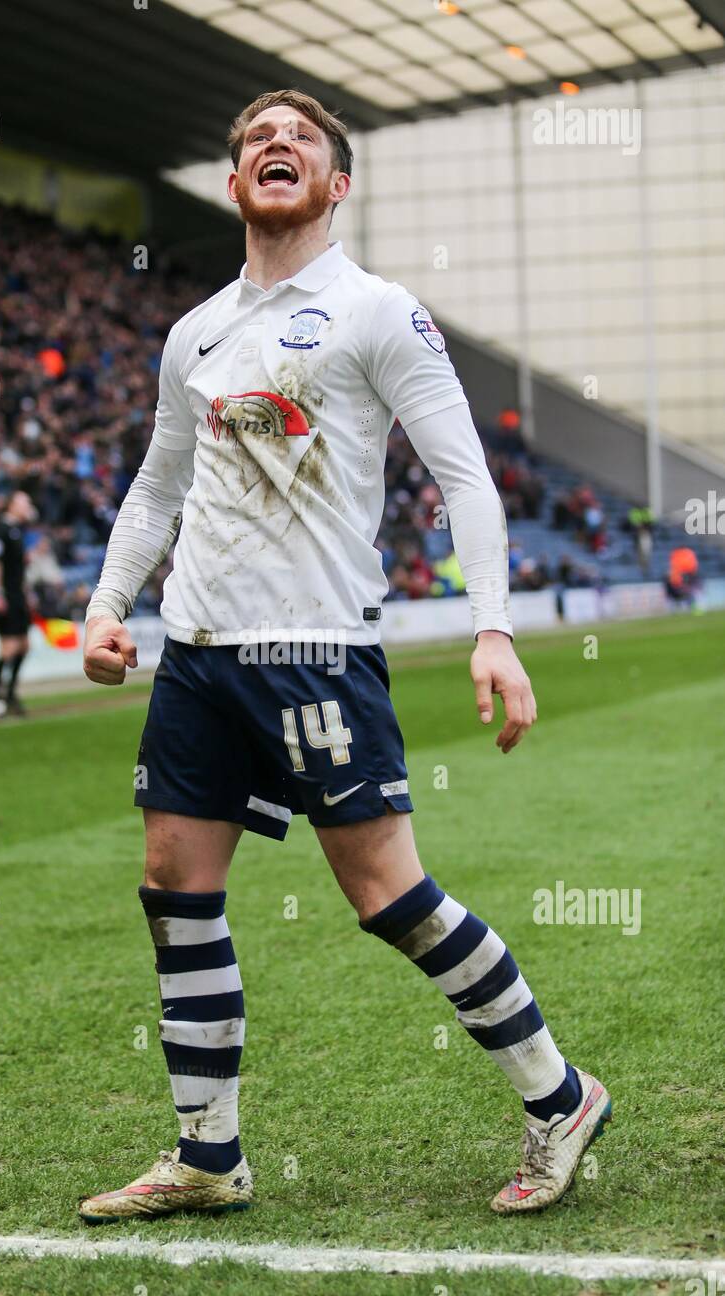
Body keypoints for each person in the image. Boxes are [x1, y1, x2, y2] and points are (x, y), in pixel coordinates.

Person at [78, 90, 611, 1224]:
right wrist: (108, 602)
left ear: (337, 184)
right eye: (257, 140)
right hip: (197, 658)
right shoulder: (197, 332)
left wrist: (493, 627)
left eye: (303, 139)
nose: (278, 146)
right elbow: (158, 484)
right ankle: (208, 1155)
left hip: (314, 652)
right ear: (232, 184)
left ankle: (557, 1095)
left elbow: (462, 475)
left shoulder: (377, 311)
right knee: (176, 887)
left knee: (387, 896)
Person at [0, 490, 36, 717]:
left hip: (17, 595)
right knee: (9, 647)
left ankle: (10, 693)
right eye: (25, 502)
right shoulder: (2, 530)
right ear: (12, 505)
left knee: (24, 645)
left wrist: (26, 592)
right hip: (6, 595)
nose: (28, 506)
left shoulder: (17, 531)